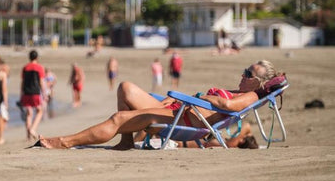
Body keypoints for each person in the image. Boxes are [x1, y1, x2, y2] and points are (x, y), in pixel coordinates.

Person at [35, 60, 282, 149]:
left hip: (182, 120)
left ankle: (63, 142)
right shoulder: (240, 91)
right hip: (179, 110)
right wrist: (181, 98)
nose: (243, 74)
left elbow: (227, 107)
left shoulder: (250, 97)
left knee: (119, 118)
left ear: (259, 83)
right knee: (126, 88)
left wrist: (199, 98)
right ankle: (126, 141)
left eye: (248, 73)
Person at [20, 50, 46, 140]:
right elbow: (41, 82)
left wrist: (21, 94)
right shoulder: (39, 67)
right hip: (35, 92)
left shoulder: (25, 67)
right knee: (39, 111)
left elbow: (23, 82)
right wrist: (44, 93)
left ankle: (28, 135)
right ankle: (33, 129)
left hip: (26, 92)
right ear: (37, 57)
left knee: (29, 113)